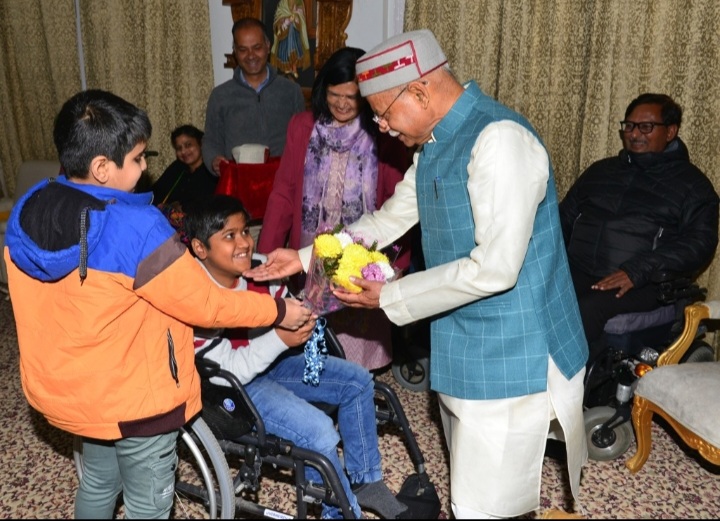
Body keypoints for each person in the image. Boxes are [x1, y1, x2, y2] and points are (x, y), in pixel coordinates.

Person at [246, 29, 590, 519]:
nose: (381, 127)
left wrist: (389, 297)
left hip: (515, 347)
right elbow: (387, 219)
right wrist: (304, 259)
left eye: (384, 112)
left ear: (421, 91)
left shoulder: (499, 140)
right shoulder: (433, 141)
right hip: (463, 334)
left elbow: (495, 269)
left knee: (491, 503)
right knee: (467, 481)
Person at [2, 89, 311, 519]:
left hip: (75, 388)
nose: (146, 167)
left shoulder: (32, 206)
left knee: (97, 483)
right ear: (102, 168)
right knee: (149, 503)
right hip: (135, 400)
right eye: (138, 158)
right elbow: (207, 305)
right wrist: (278, 312)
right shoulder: (137, 228)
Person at [183, 194, 410, 520]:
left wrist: (329, 293)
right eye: (229, 236)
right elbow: (229, 371)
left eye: (245, 230)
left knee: (358, 381)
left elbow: (295, 309)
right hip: (234, 388)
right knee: (318, 433)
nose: (244, 242)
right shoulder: (195, 298)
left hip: (272, 364)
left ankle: (365, 480)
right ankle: (338, 511)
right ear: (200, 248)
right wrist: (279, 338)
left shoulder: (260, 268)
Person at [258, 46, 411, 371]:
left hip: (364, 249)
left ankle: (356, 386)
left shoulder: (383, 131)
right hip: (309, 246)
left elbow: (399, 203)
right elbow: (283, 191)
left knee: (357, 328)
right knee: (309, 329)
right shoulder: (302, 126)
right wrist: (267, 250)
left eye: (352, 97)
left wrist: (398, 262)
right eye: (334, 94)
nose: (342, 103)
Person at [559, 93, 719, 361]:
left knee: (584, 308)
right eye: (629, 126)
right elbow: (563, 219)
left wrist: (639, 269)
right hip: (581, 268)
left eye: (646, 127)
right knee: (530, 292)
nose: (634, 134)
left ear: (670, 131)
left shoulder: (693, 186)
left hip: (643, 281)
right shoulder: (601, 171)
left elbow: (699, 243)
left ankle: (563, 389)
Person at [203, 17, 305, 175]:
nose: (251, 56)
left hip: (282, 183)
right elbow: (211, 141)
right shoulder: (220, 95)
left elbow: (303, 140)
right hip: (238, 183)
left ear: (267, 46)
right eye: (243, 49)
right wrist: (214, 160)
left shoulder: (291, 91)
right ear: (235, 51)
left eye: (256, 47)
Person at [152, 124, 218, 212]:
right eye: (179, 148)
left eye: (188, 145)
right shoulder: (177, 167)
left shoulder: (211, 170)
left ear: (201, 144)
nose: (183, 152)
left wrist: (179, 207)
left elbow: (206, 203)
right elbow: (156, 191)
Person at [270, 0, 311, 78]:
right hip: (284, 34)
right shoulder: (282, 2)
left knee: (295, 50)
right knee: (285, 51)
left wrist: (296, 17)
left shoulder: (299, 1)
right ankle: (287, 68)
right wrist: (285, 20)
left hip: (295, 33)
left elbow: (301, 16)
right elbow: (278, 16)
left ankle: (294, 68)